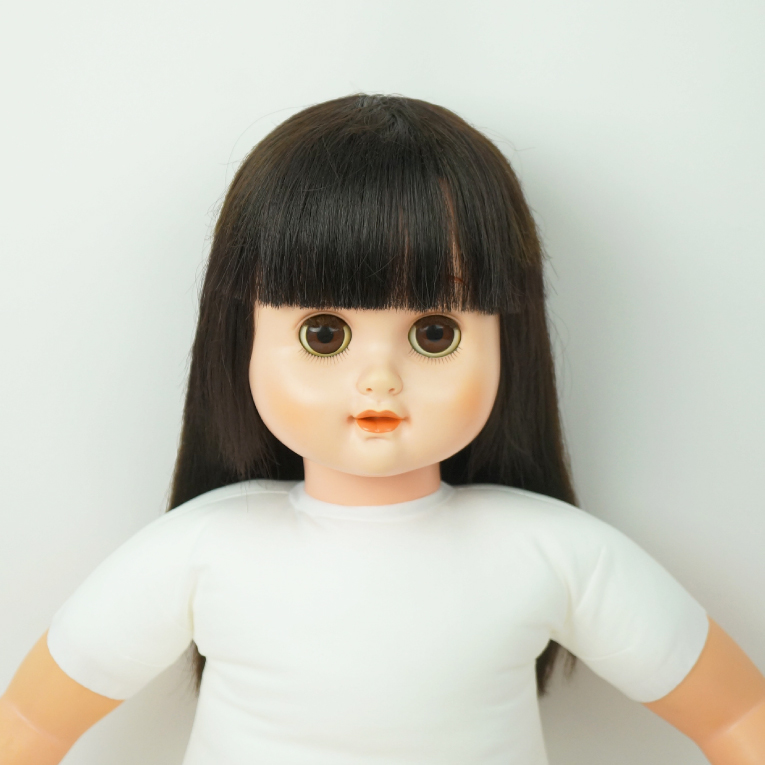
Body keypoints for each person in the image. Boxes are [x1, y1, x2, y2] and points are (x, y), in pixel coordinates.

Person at [1, 94, 763, 765]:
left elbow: (736, 715)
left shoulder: (555, 553)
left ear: (508, 340)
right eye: (323, 334)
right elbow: (29, 722)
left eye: (434, 334)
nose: (379, 378)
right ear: (241, 338)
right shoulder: (201, 550)